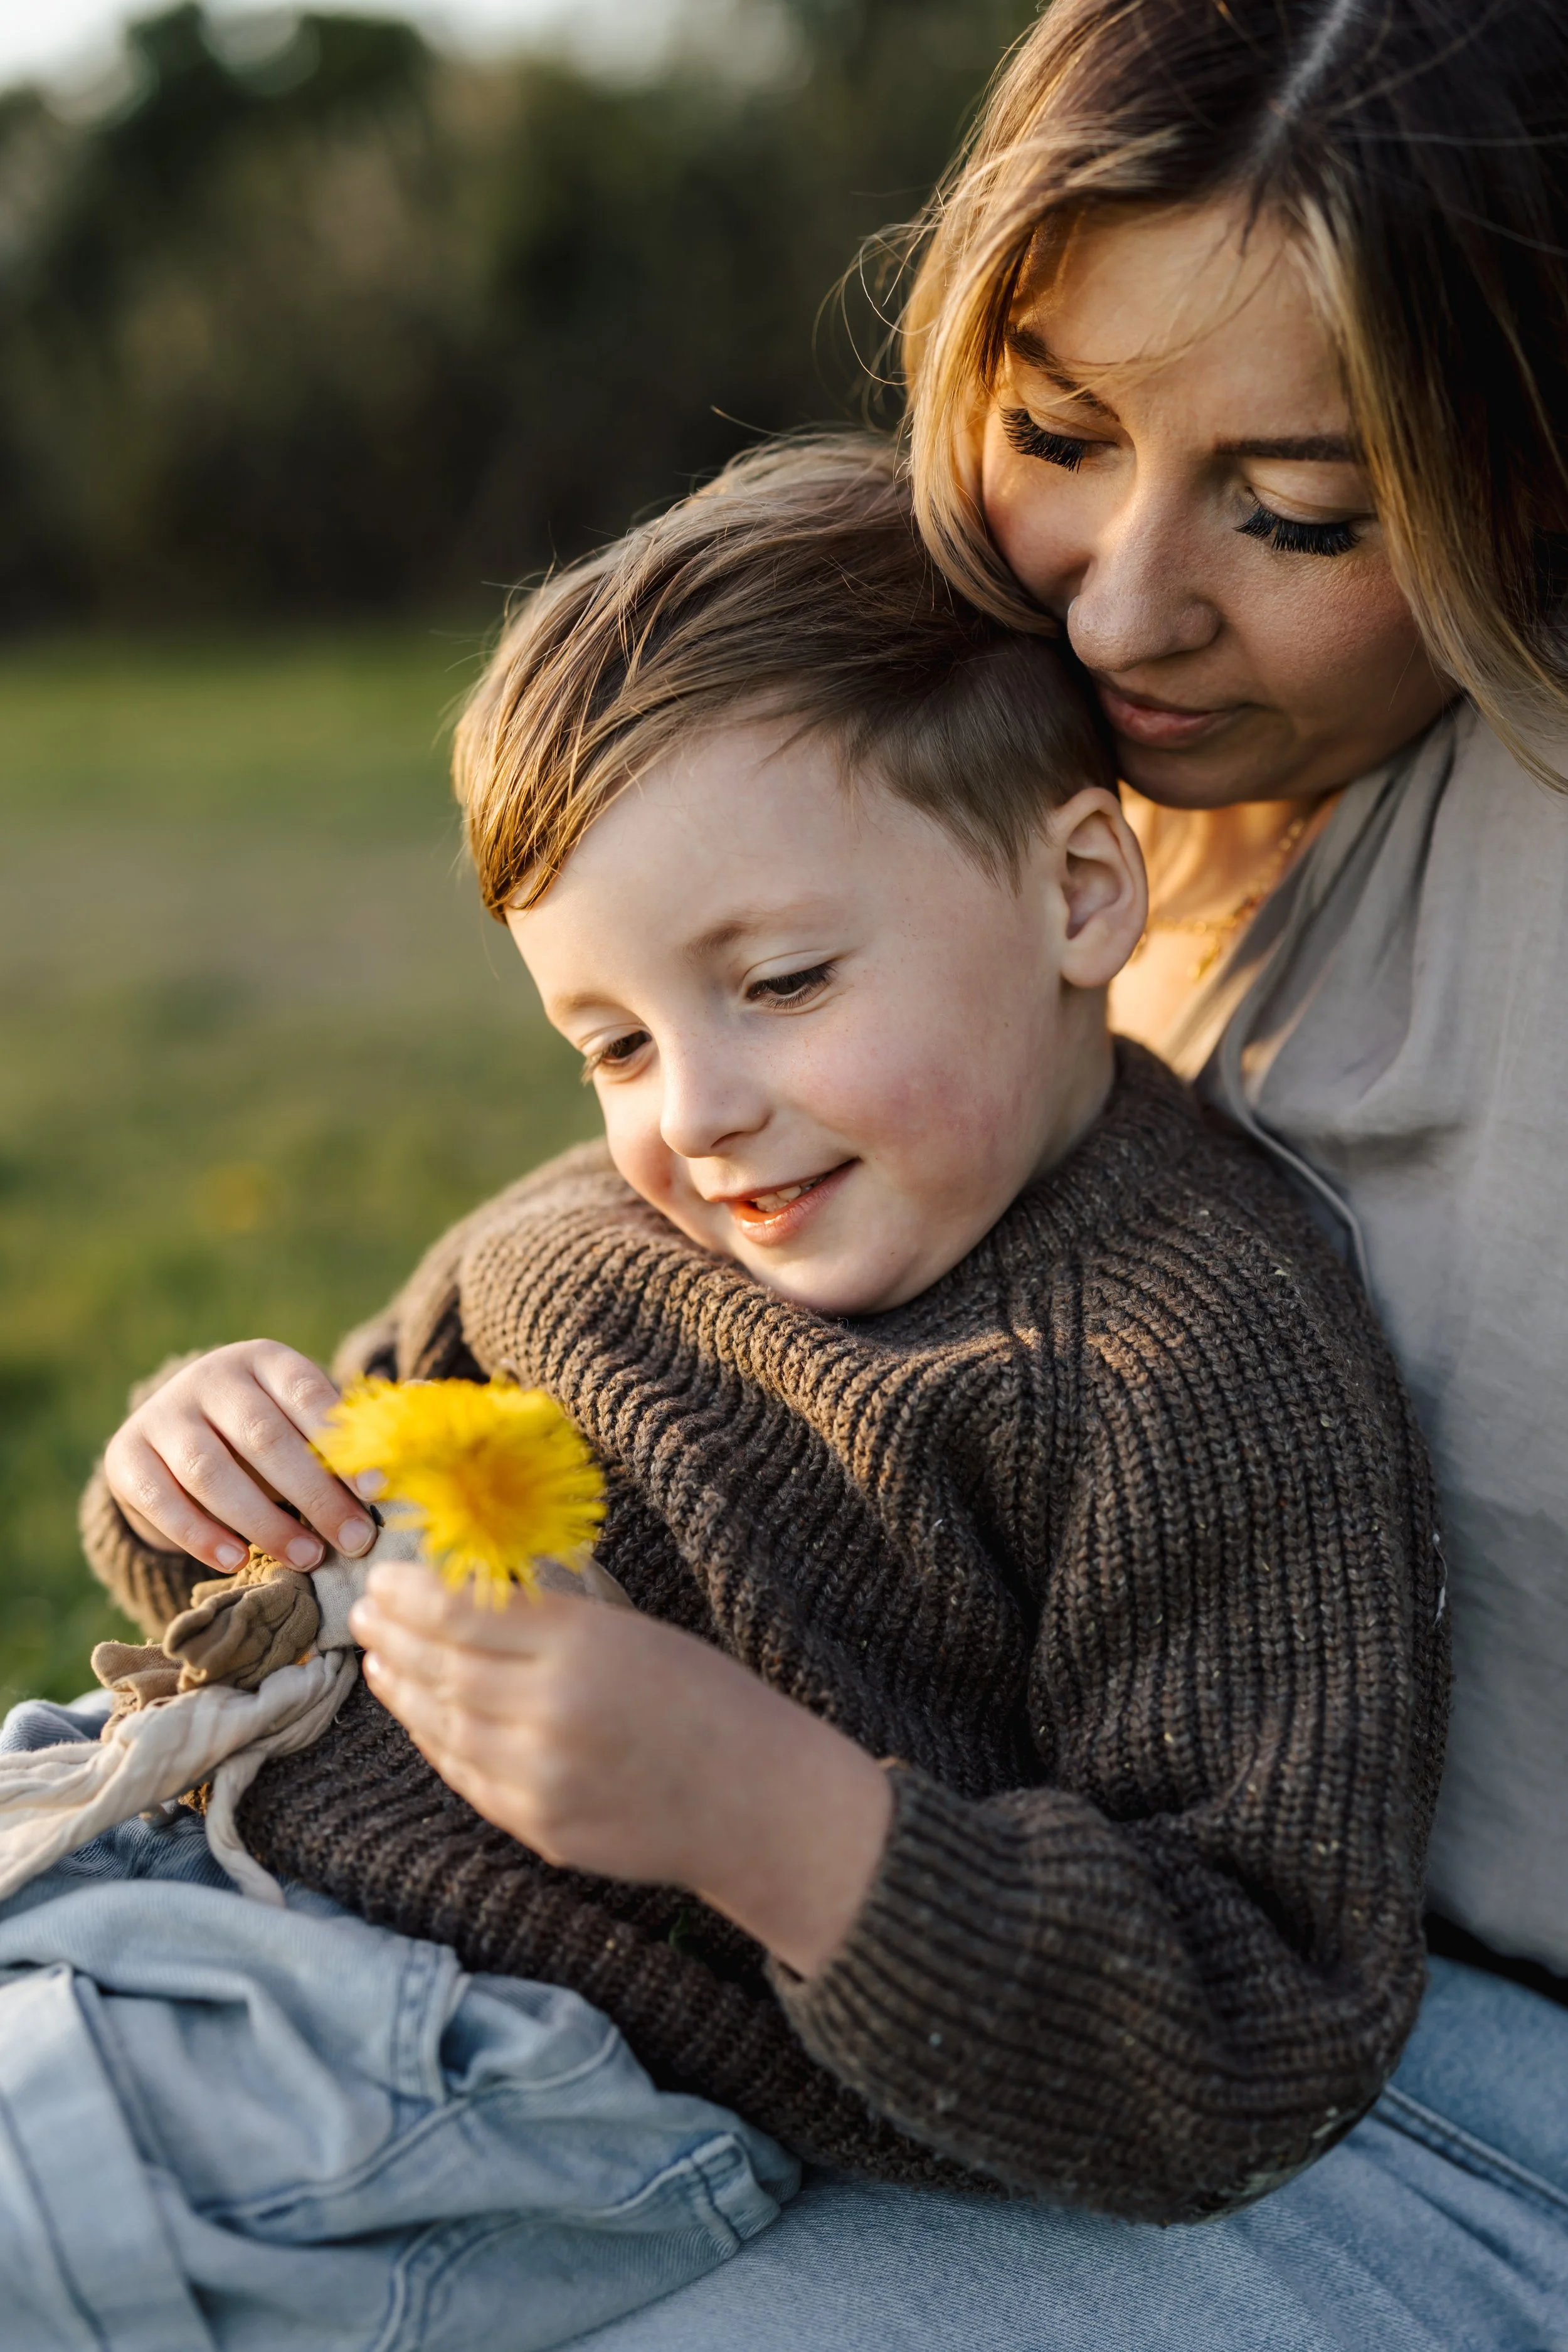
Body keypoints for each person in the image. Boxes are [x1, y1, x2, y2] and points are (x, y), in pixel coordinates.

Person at [68, 435, 1443, 2312]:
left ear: (1080, 891)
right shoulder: (589, 1230)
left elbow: (1243, 2013)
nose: (694, 1113)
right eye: (611, 1040)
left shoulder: (1187, 1359)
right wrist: (208, 1465)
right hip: (182, 1829)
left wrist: (769, 1818)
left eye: (783, 980)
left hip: (482, 2054)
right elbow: (335, 1521)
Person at [544, 1, 1568, 2342]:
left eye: (1297, 509)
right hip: (991, 1943)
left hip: (1419, 2069)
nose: (1117, 605)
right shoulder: (1026, 792)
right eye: (1057, 434)